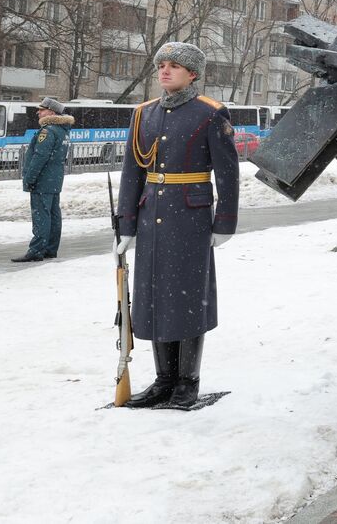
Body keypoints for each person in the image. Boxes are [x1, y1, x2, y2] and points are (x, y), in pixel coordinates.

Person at [114, 43, 239, 410]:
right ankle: (163, 380)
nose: (165, 71)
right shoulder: (143, 114)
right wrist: (127, 225)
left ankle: (187, 381)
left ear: (193, 74)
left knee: (186, 299)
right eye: (161, 65)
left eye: (174, 66)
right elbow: (132, 173)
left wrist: (225, 222)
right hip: (152, 215)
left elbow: (228, 174)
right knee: (153, 298)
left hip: (191, 218)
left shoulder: (211, 114)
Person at [10, 97, 74, 263]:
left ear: (51, 112)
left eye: (42, 109)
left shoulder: (48, 131)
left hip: (43, 179)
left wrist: (29, 178)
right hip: (54, 179)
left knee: (41, 215)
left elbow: (40, 157)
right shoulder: (62, 130)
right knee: (53, 215)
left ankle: (36, 250)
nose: (38, 112)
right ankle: (50, 249)